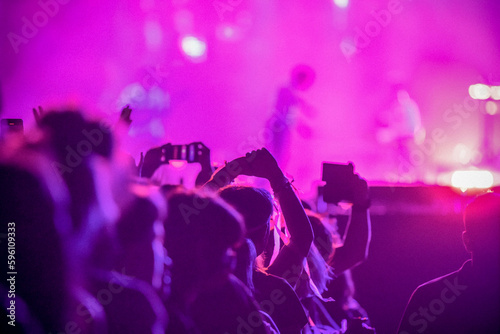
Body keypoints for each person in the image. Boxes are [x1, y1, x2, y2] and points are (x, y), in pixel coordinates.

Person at [397, 192, 500, 334]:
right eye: (493, 233)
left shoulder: (429, 297)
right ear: (467, 241)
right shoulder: (428, 297)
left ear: (466, 241)